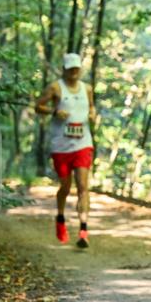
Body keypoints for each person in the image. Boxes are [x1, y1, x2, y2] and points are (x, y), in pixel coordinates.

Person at [34, 53, 96, 248]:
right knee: (66, 187)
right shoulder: (55, 87)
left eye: (76, 69)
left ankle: (83, 231)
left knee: (83, 186)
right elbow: (38, 106)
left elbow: (92, 107)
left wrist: (93, 115)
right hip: (61, 145)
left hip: (83, 143)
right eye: (70, 69)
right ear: (64, 69)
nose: (74, 72)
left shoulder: (87, 89)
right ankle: (60, 218)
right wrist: (54, 112)